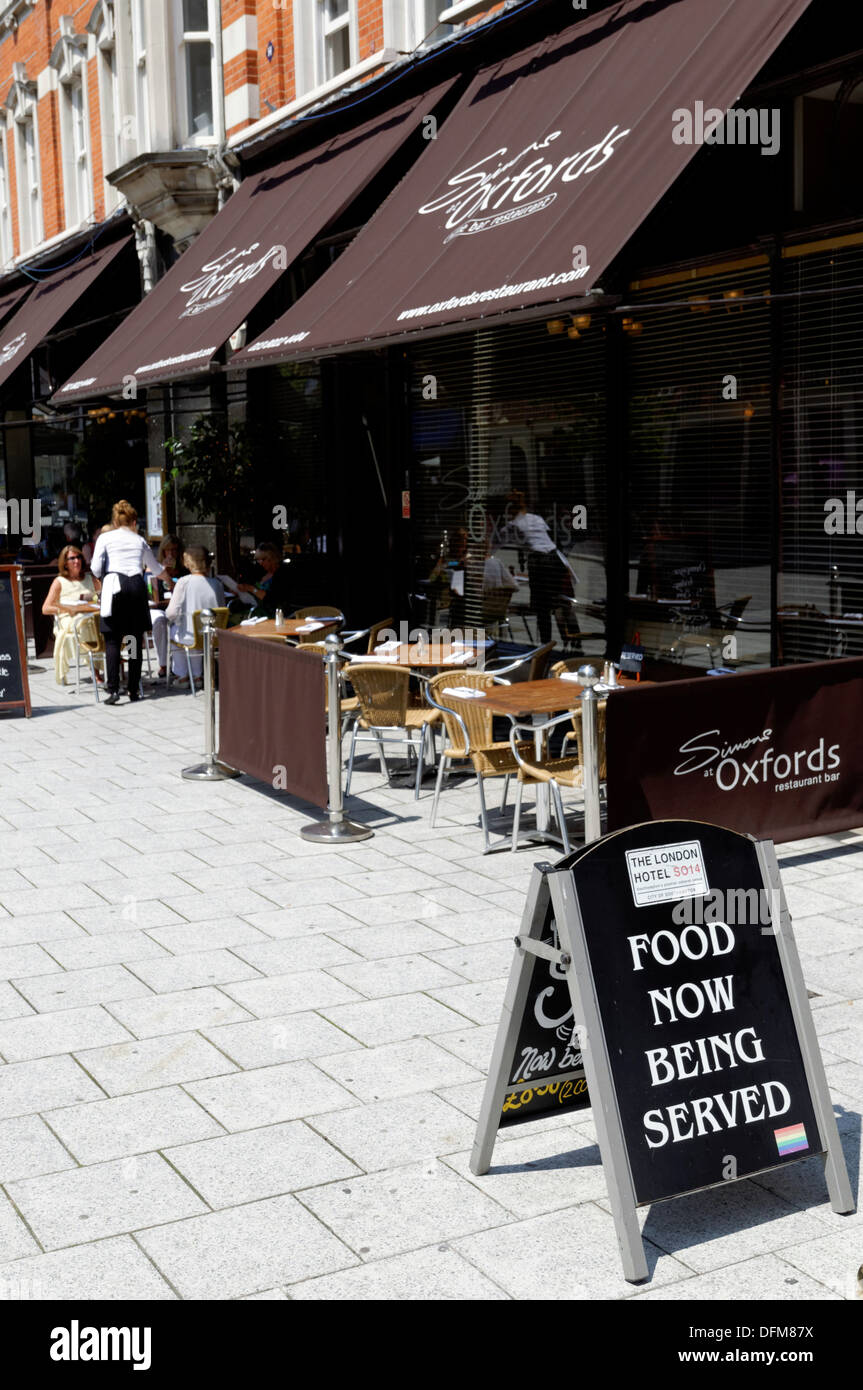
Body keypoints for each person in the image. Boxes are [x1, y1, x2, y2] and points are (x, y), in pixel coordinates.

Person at [90, 500, 171, 705]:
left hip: (114, 584)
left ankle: (114, 689)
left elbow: (95, 567)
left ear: (115, 521)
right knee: (135, 639)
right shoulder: (139, 540)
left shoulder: (105, 538)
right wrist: (169, 580)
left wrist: (103, 577)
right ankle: (134, 689)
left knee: (113, 640)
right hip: (135, 585)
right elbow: (154, 567)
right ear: (134, 521)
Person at [508, 490, 571, 645]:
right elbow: (549, 538)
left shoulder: (514, 523)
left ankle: (546, 645)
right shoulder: (536, 518)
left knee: (543, 609)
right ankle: (571, 640)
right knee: (559, 604)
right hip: (555, 561)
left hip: (540, 564)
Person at [165, 546, 225, 685]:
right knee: (194, 631)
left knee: (174, 630)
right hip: (212, 636)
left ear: (187, 563)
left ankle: (182, 675)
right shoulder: (217, 584)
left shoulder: (183, 582)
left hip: (190, 635)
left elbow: (171, 612)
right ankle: (197, 675)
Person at [42, 545, 100, 686]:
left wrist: (94, 600)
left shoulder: (90, 578)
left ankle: (117, 661)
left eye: (78, 557)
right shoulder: (59, 581)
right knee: (85, 625)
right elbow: (46, 608)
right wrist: (66, 609)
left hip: (91, 614)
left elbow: (102, 596)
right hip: (69, 618)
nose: (76, 561)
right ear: (65, 562)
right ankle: (95, 671)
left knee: (104, 623)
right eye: (72, 558)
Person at [148, 534, 184, 678]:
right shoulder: (154, 568)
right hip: (158, 608)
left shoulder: (184, 569)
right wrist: (163, 570)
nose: (170, 554)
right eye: (167, 551)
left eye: (174, 550)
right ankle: (163, 664)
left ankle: (181, 664)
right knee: (159, 621)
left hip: (178, 607)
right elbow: (150, 591)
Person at [236, 541, 293, 617]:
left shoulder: (282, 574)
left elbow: (272, 599)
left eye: (262, 559)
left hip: (272, 613)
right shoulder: (262, 572)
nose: (260, 563)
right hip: (256, 609)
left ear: (272, 558)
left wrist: (251, 589)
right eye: (258, 560)